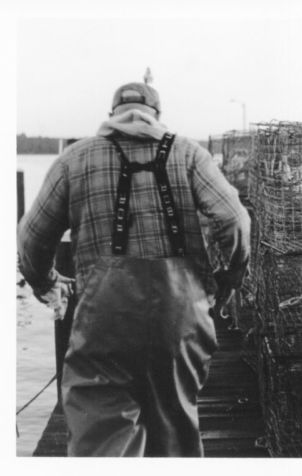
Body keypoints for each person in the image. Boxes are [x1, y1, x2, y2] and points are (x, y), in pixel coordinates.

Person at [17, 82, 251, 457]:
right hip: (180, 323)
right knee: (175, 438)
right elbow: (234, 220)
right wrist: (229, 276)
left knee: (103, 441)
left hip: (104, 327)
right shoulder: (190, 153)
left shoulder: (74, 159)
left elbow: (31, 240)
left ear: (112, 115)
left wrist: (46, 283)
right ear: (156, 115)